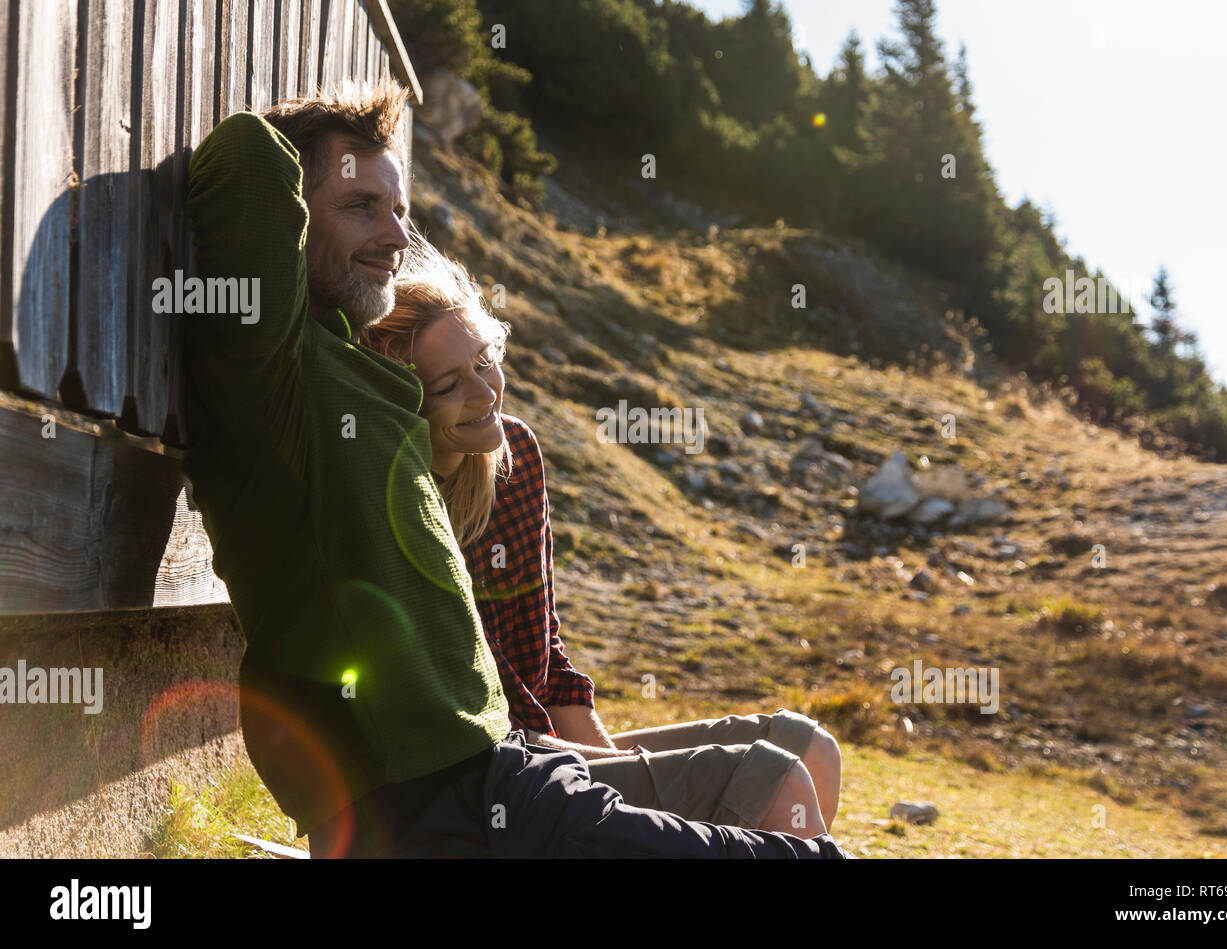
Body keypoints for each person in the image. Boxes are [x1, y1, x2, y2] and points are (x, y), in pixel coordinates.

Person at [181, 77, 847, 858]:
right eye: (361, 206)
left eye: (401, 210)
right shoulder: (273, 374)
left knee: (779, 800)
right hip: (429, 803)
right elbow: (245, 155)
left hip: (498, 768)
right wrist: (338, 131)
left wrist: (363, 186)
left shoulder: (360, 378)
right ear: (294, 221)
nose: (396, 236)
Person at [359, 235, 842, 838]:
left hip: (555, 756)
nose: (485, 394)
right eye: (451, 385)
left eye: (485, 361)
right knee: (778, 781)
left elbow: (546, 664)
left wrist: (627, 780)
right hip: (500, 779)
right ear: (407, 398)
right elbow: (470, 726)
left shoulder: (515, 457)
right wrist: (636, 797)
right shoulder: (397, 501)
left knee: (812, 748)